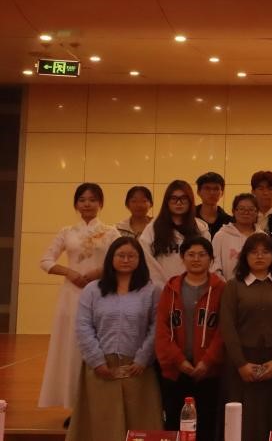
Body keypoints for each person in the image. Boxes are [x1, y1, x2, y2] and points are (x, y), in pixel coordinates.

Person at [67, 236, 162, 441]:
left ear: (140, 259)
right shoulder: (93, 290)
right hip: (101, 369)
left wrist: (142, 359)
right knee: (102, 425)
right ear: (111, 258)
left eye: (131, 256)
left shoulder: (151, 291)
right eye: (121, 255)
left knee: (140, 424)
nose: (126, 260)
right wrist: (97, 360)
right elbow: (83, 326)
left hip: (137, 369)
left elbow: (157, 327)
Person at [38, 183, 118, 415]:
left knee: (99, 346)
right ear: (76, 204)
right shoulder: (67, 232)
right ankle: (75, 408)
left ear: (100, 203)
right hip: (71, 296)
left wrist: (98, 272)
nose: (87, 204)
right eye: (82, 200)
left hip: (101, 293)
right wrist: (69, 272)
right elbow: (45, 261)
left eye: (92, 200)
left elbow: (119, 260)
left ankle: (98, 404)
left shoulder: (111, 232)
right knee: (72, 348)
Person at [219, 233, 272, 441]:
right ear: (245, 256)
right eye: (253, 252)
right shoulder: (234, 286)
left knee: (271, 419)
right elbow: (227, 327)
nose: (259, 256)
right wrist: (241, 364)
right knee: (242, 422)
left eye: (265, 252)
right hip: (240, 362)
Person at [155, 236, 225, 441]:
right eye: (191, 254)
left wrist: (207, 361)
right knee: (174, 424)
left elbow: (223, 331)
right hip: (176, 370)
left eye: (202, 255)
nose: (196, 259)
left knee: (206, 425)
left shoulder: (221, 289)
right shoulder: (171, 288)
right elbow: (162, 330)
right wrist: (179, 361)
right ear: (182, 257)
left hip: (208, 372)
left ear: (211, 259)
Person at [139, 180, 212, 286]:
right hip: (161, 288)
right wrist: (163, 286)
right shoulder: (153, 229)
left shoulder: (201, 229)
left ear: (190, 201)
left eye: (183, 199)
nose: (179, 203)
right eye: (174, 198)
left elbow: (207, 261)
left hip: (194, 287)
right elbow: (147, 261)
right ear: (167, 201)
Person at [212, 192, 265, 282]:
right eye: (241, 209)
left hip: (257, 287)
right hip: (226, 287)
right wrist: (227, 286)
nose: (246, 212)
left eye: (251, 209)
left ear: (257, 212)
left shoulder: (262, 237)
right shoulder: (221, 236)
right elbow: (214, 266)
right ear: (233, 211)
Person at [195, 172, 233, 237]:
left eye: (216, 189)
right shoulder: (189, 218)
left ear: (222, 192)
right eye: (207, 188)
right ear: (198, 192)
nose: (212, 193)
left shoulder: (229, 222)